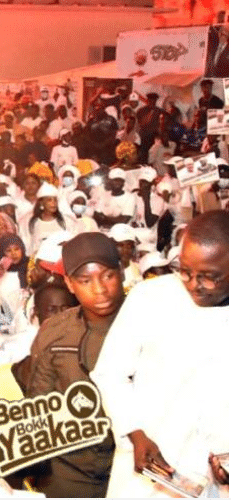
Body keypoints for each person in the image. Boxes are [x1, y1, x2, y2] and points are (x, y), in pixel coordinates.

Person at [91, 211, 229, 497]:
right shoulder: (150, 297)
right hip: (149, 460)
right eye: (185, 271)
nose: (193, 284)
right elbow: (110, 373)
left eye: (209, 277)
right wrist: (136, 434)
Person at [24, 232, 125, 497]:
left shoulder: (148, 322)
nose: (99, 289)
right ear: (69, 283)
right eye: (85, 280)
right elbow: (38, 403)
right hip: (70, 471)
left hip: (135, 467)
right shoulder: (55, 331)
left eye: (108, 276)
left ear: (122, 272)